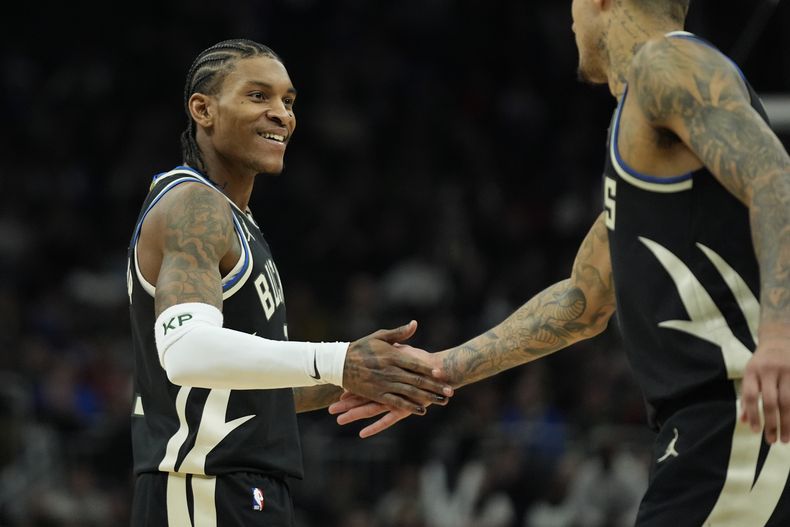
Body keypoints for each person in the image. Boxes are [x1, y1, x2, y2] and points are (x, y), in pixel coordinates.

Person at [330, 0, 790, 525]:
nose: (568, 17)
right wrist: (439, 370)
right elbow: (583, 300)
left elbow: (776, 178)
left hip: (738, 419)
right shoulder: (650, 128)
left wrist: (778, 333)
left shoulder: (665, 65)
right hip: (710, 427)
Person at [126, 38, 453, 526]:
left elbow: (242, 389)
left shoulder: (238, 218)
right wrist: (337, 360)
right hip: (202, 489)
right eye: (258, 96)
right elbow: (187, 352)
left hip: (245, 489)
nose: (281, 113)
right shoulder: (193, 205)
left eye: (288, 101)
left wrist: (365, 378)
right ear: (203, 109)